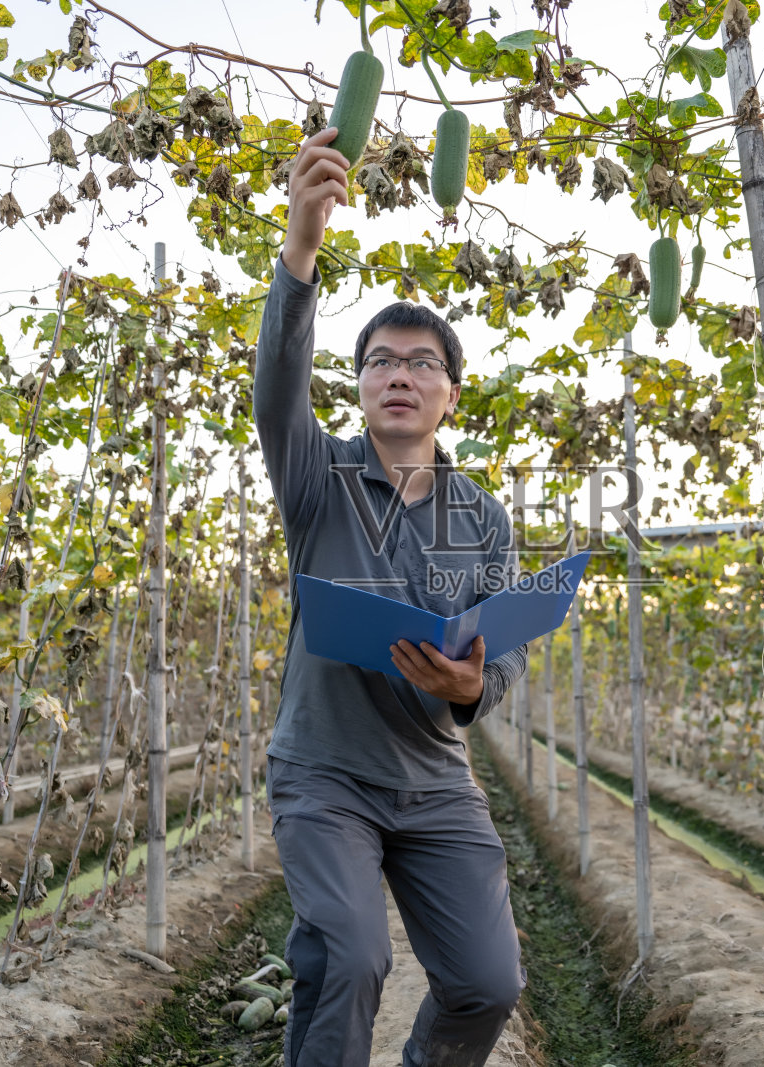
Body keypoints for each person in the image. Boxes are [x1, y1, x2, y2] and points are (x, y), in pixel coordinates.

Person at [252, 124, 529, 1067]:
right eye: (380, 361)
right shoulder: (316, 475)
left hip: (434, 781)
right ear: (360, 385)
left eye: (420, 363)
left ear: (450, 393)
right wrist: (301, 245)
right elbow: (276, 384)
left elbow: (503, 655)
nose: (399, 374)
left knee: (488, 983)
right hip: (326, 774)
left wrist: (471, 690)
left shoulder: (483, 517)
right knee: (349, 958)